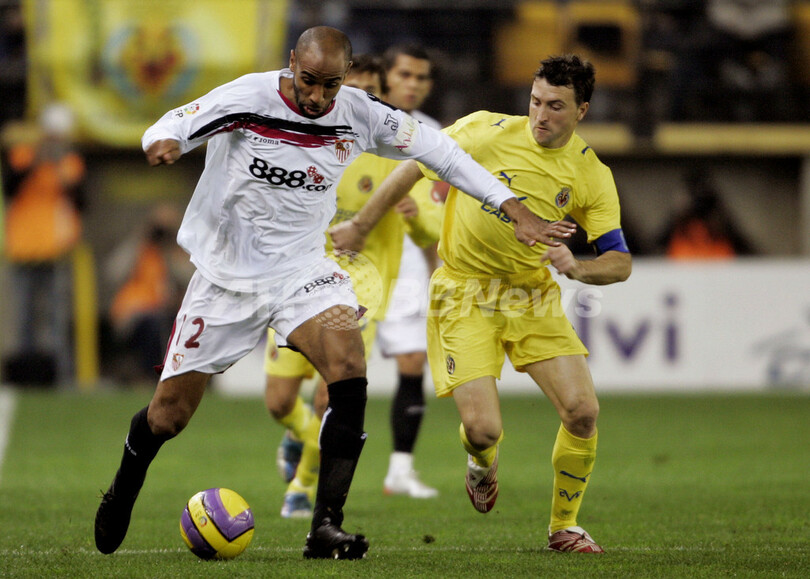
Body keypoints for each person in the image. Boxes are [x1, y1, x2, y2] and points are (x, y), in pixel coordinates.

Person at [93, 26, 574, 560]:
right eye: (309, 81)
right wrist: (161, 141)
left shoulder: (360, 113)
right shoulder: (248, 97)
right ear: (291, 62)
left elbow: (444, 153)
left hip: (302, 271)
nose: (318, 96)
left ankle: (325, 527)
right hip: (226, 278)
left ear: (345, 77)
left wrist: (513, 208)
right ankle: (122, 490)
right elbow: (176, 122)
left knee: (348, 365)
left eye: (330, 84)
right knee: (168, 416)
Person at [331, 54, 631, 553]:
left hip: (531, 295)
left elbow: (619, 262)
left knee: (582, 412)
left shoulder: (591, 174)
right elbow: (412, 166)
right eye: (535, 101)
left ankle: (564, 527)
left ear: (582, 110)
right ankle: (481, 461)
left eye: (555, 106)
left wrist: (578, 267)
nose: (540, 115)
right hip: (464, 291)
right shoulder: (484, 131)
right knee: (484, 429)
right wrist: (362, 225)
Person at [263, 54, 443, 519]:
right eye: (351, 91)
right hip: (297, 282)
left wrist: (415, 218)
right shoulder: (309, 143)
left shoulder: (398, 155)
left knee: (331, 396)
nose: (359, 101)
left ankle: (302, 489)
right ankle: (300, 435)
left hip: (359, 292)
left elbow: (432, 228)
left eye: (370, 93)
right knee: (279, 402)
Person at [375, 43, 444, 497]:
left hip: (408, 266)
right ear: (386, 77)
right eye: (405, 74)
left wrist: (437, 263)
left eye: (421, 77)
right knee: (329, 376)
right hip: (354, 259)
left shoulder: (434, 134)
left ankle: (400, 469)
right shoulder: (358, 122)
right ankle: (304, 469)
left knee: (413, 362)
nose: (413, 84)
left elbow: (438, 209)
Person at [3, 102, 85, 385]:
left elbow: (80, 200)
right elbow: (10, 188)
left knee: (56, 319)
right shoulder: (23, 155)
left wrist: (60, 167)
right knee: (23, 317)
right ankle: (22, 377)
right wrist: (37, 158)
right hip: (23, 249)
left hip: (56, 250)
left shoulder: (70, 162)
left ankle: (59, 375)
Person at [106, 203, 192, 383]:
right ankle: (147, 375)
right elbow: (113, 273)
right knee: (152, 324)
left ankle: (172, 375)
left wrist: (172, 245)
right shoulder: (139, 249)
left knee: (171, 323)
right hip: (133, 314)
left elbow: (188, 278)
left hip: (163, 313)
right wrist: (142, 236)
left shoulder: (173, 253)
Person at [657, 168, 754, 259]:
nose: (699, 233)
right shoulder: (676, 233)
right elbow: (656, 250)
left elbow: (750, 256)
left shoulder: (722, 232)